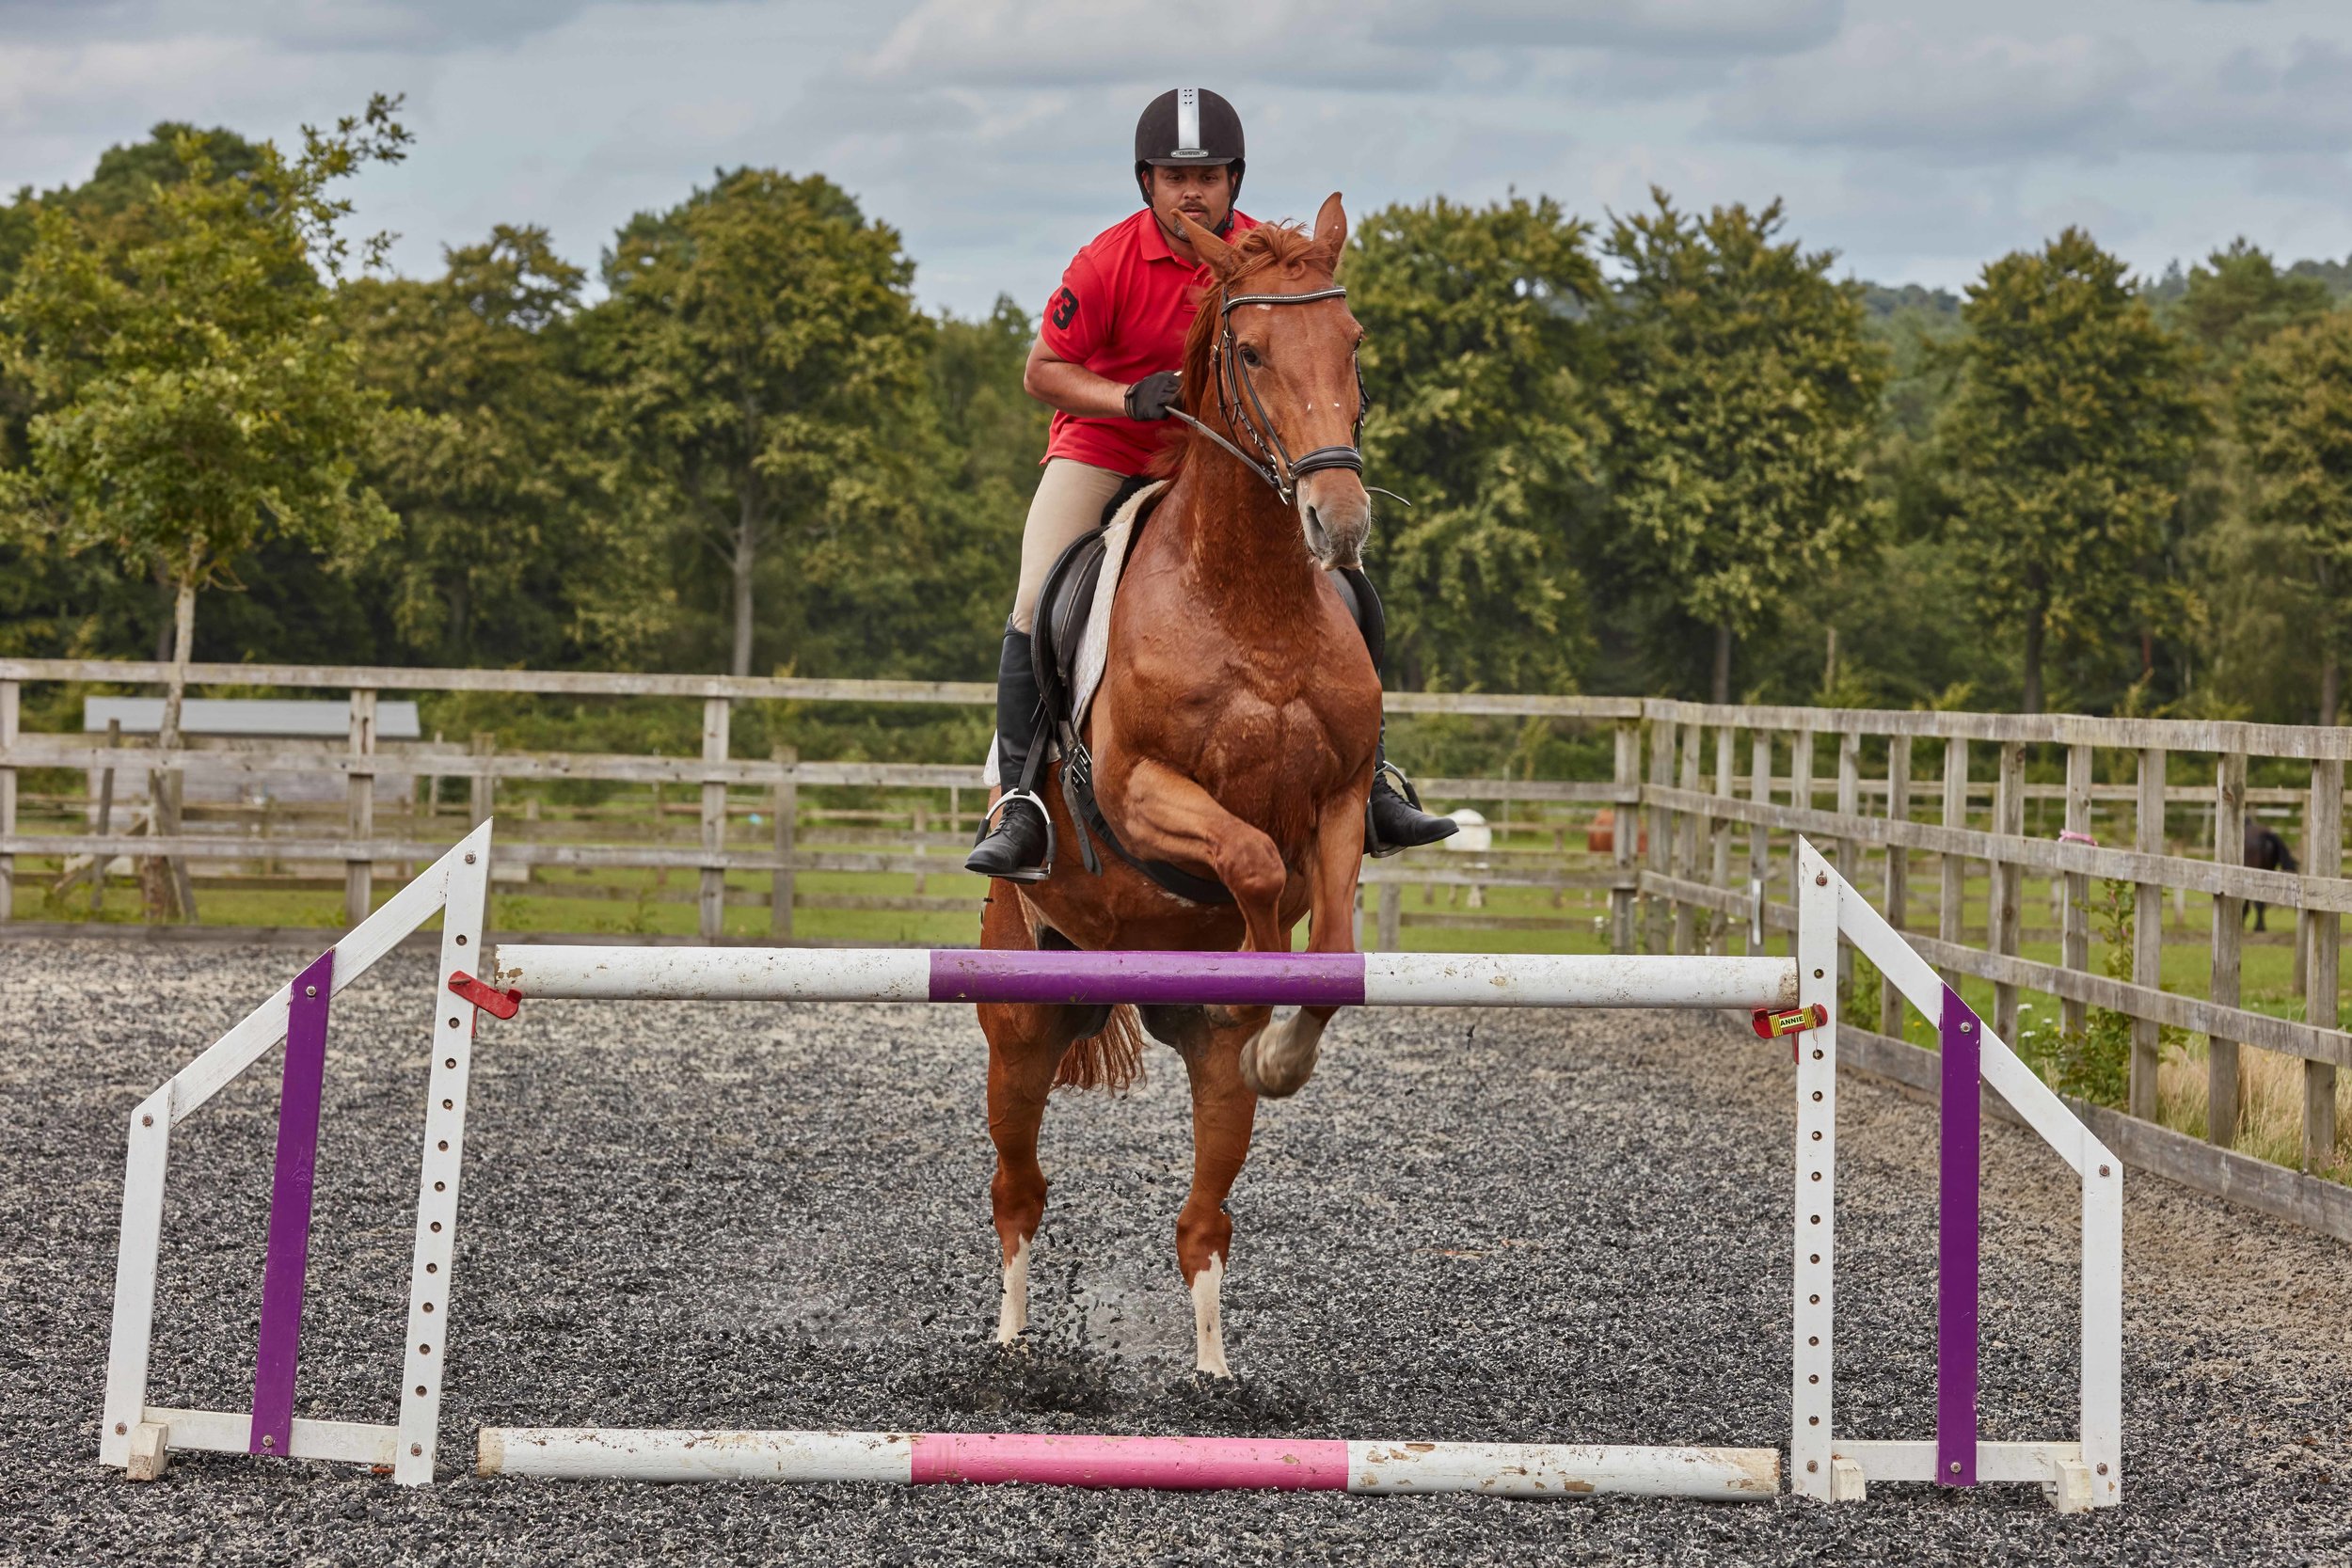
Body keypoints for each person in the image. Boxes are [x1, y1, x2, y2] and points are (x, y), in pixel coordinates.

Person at [966, 87, 1454, 881]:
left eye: (1209, 175)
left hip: (1225, 461)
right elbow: (1041, 372)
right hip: (1107, 446)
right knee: (1033, 597)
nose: (1191, 190)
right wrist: (1127, 397)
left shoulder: (1267, 258)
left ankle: (1371, 786)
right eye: (1171, 175)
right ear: (1146, 182)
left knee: (1349, 576)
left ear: (1234, 181)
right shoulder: (1104, 264)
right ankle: (1020, 801)